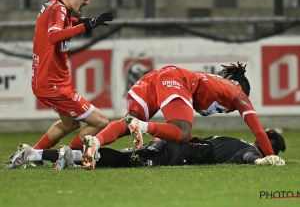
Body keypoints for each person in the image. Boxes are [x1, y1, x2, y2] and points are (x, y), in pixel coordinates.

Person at [78, 62, 280, 170]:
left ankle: (95, 142)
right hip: (173, 78)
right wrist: (270, 155)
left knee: (127, 122)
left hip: (153, 79)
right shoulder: (237, 93)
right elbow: (258, 129)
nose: (230, 110)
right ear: (241, 87)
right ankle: (142, 126)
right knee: (181, 133)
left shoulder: (215, 82)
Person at [30, 0, 113, 153]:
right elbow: (53, 36)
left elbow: (59, 24)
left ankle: (31, 155)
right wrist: (84, 26)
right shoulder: (58, 9)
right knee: (101, 121)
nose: (88, 2)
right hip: (53, 84)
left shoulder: (54, 6)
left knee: (70, 123)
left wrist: (79, 21)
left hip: (48, 81)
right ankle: (68, 155)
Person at [4, 129, 286, 169]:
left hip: (170, 144)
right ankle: (69, 155)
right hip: (173, 153)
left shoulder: (232, 139)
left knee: (126, 159)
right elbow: (252, 159)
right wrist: (266, 162)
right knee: (126, 162)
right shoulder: (245, 150)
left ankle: (34, 154)